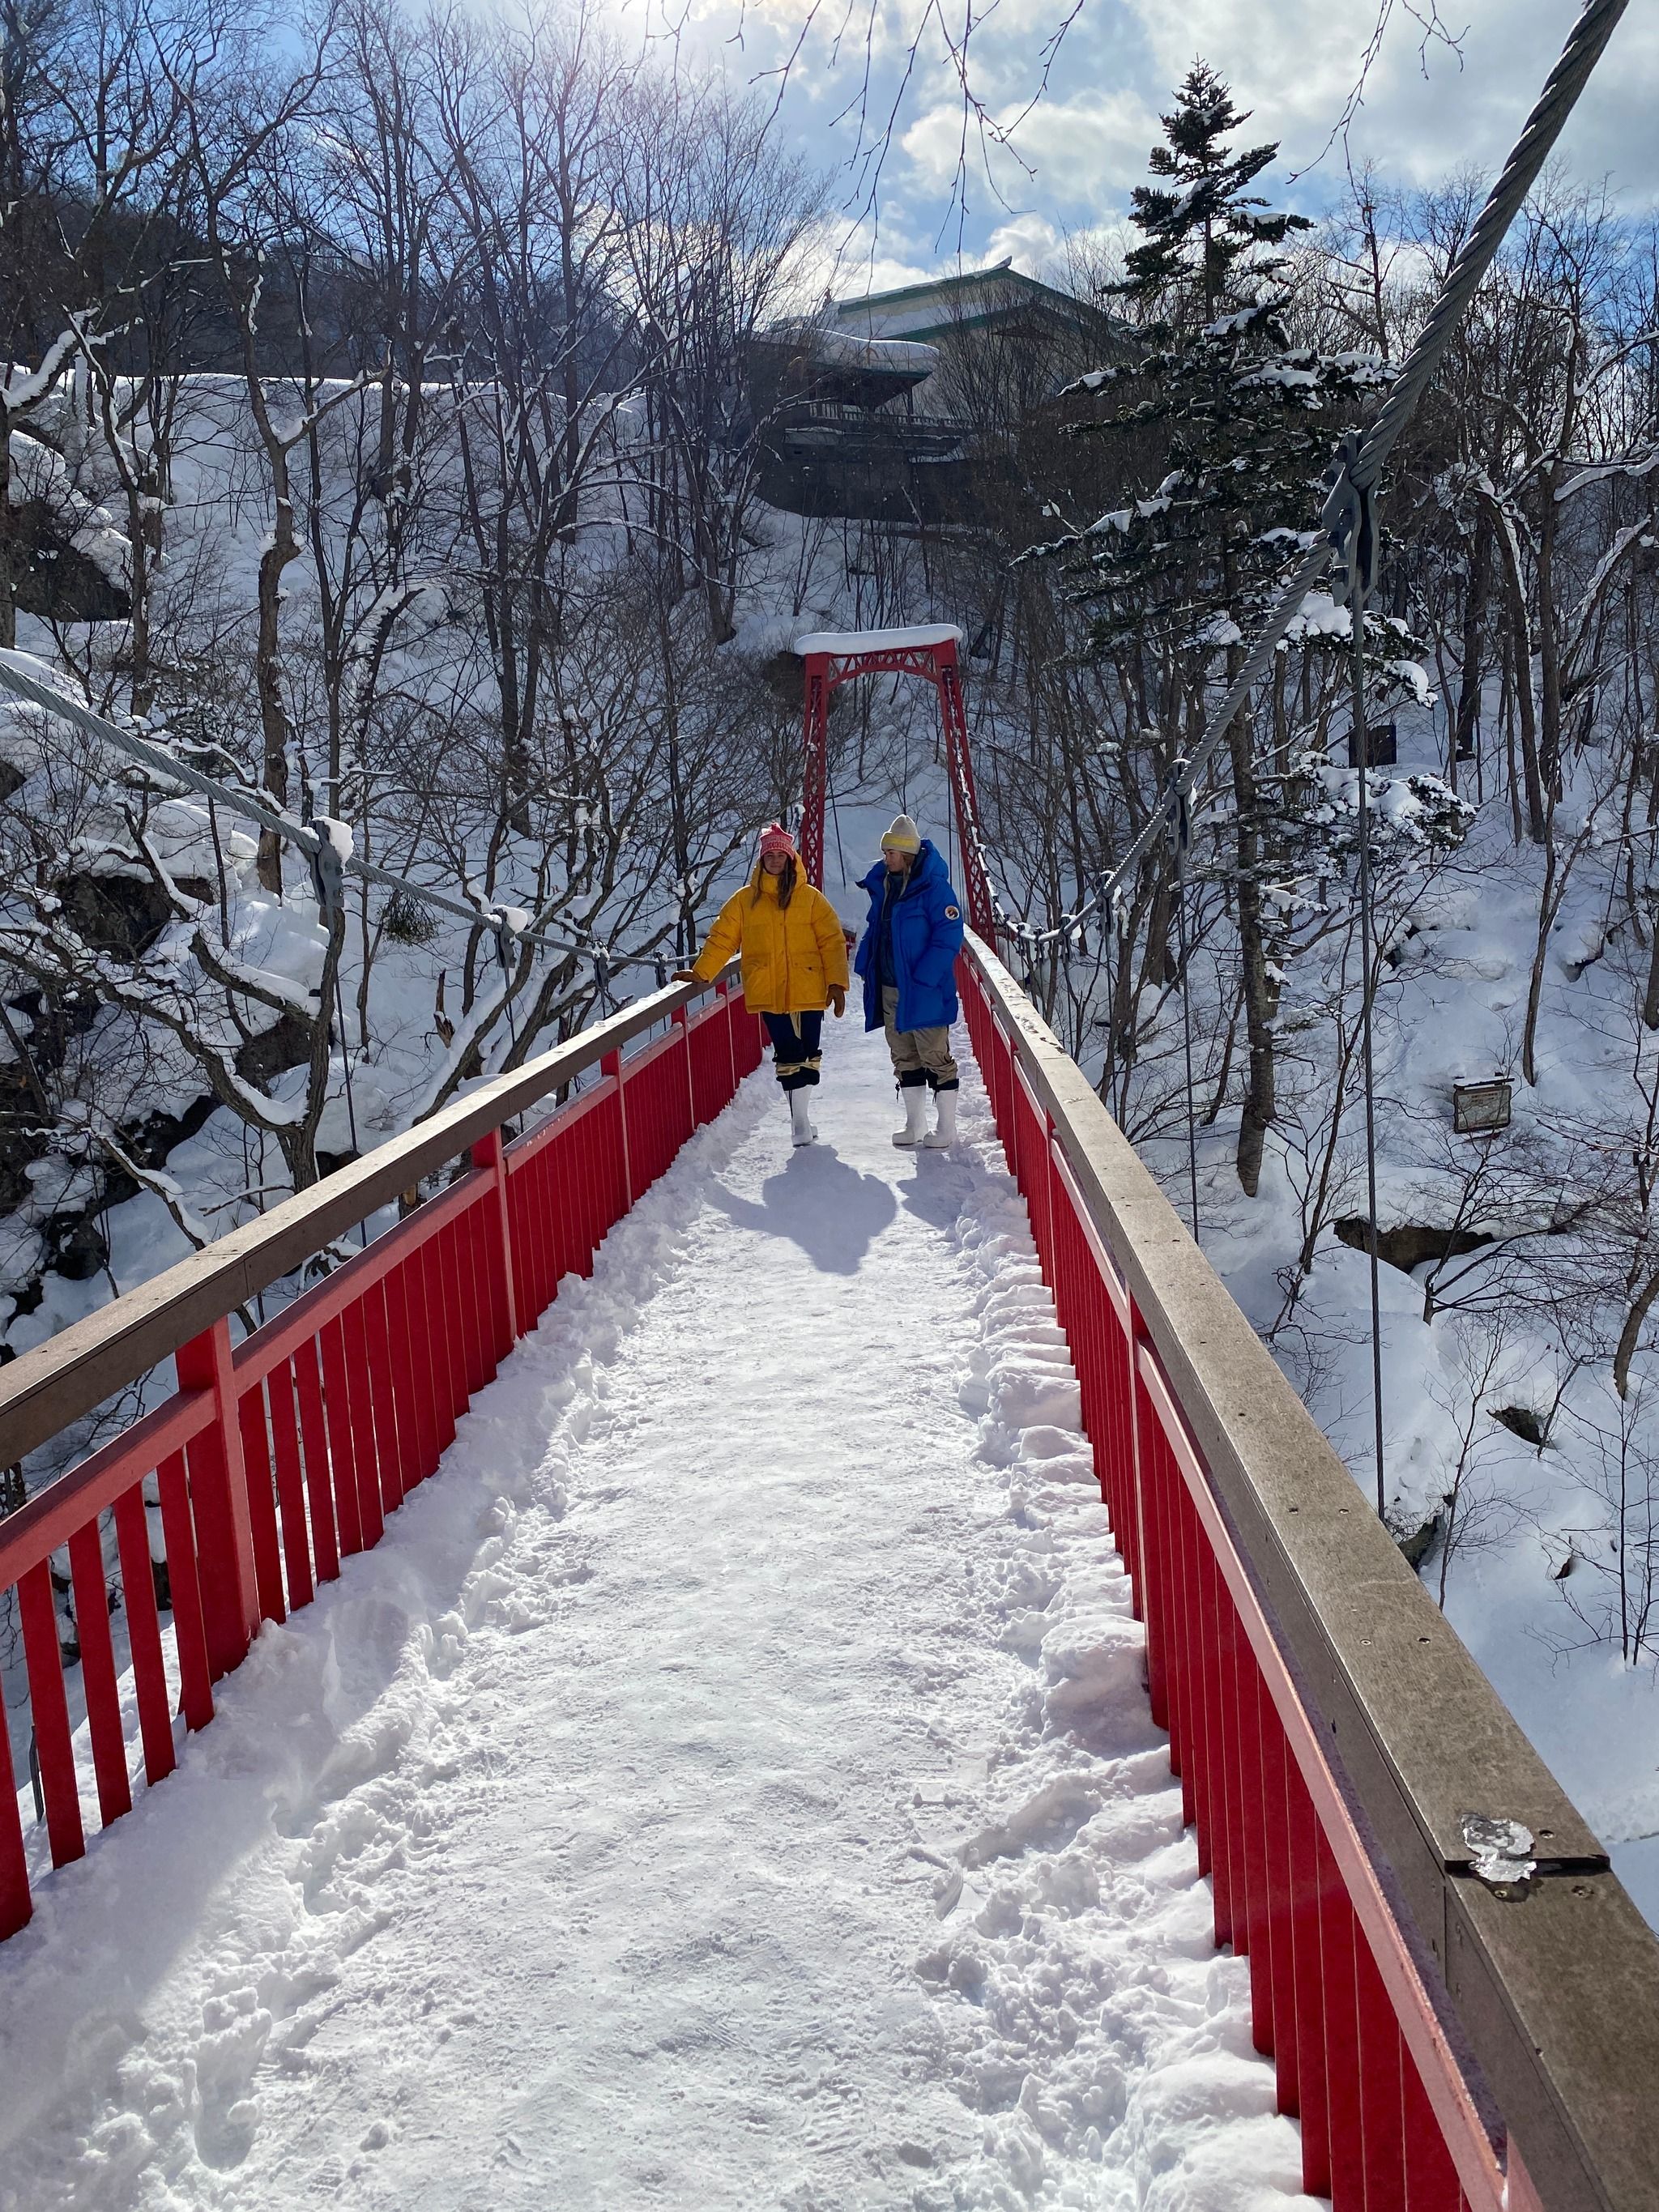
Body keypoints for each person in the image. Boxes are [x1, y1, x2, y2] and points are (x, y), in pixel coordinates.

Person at [676, 824, 849, 1146]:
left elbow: (832, 941)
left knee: (809, 1054)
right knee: (788, 1054)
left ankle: (801, 1118)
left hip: (809, 987)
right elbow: (723, 939)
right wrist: (702, 973)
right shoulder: (745, 901)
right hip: (768, 988)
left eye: (779, 854)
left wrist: (837, 983)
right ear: (761, 859)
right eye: (768, 854)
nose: (774, 860)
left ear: (790, 858)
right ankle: (799, 1123)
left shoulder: (811, 900)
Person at [854, 813, 964, 1149]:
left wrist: (925, 977)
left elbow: (949, 935)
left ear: (907, 855)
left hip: (924, 989)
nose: (885, 858)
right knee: (903, 1057)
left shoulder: (935, 889)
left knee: (935, 1057)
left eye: (890, 853)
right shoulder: (884, 886)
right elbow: (877, 931)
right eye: (885, 853)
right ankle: (915, 1125)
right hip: (889, 985)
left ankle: (946, 1130)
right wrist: (866, 965)